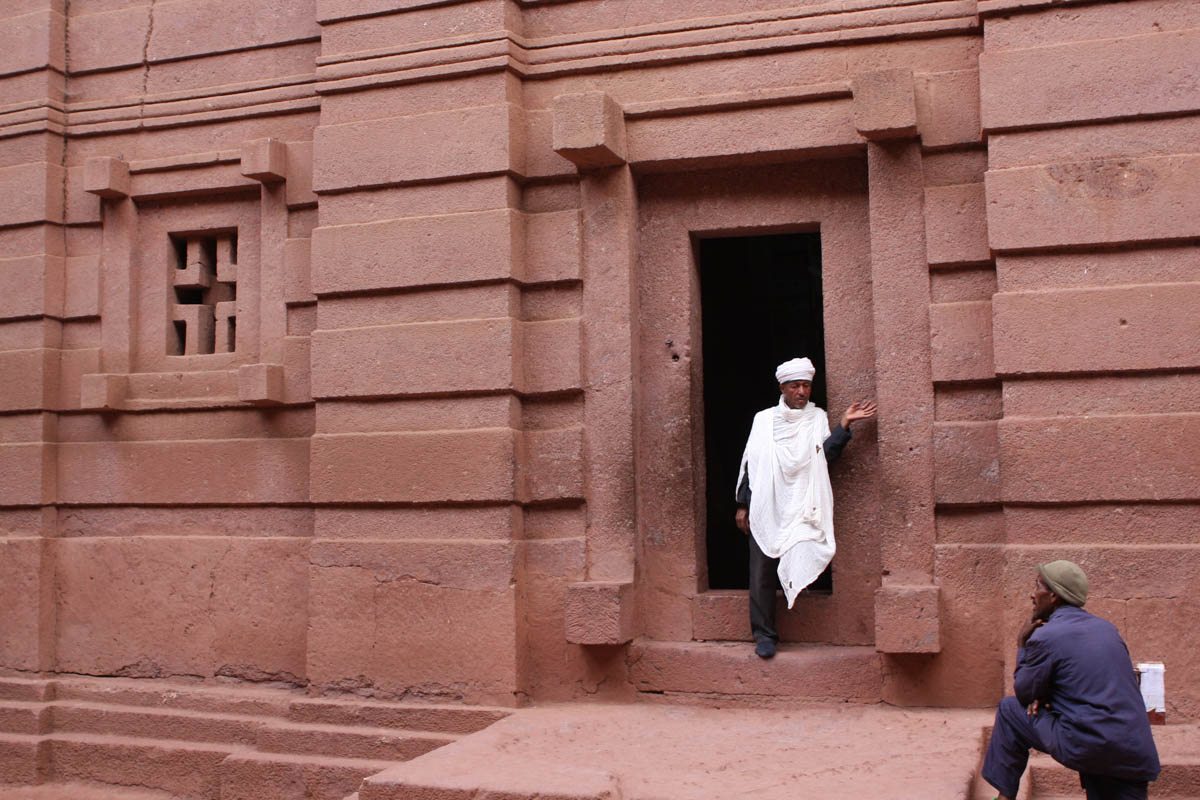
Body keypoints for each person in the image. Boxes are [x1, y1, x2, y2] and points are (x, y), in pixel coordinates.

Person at [733, 357, 876, 658]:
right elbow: (751, 464)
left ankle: (804, 603)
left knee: (809, 548)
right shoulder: (764, 420)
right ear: (782, 387)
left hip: (802, 502)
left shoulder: (817, 419)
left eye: (806, 386)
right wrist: (743, 506)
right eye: (795, 386)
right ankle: (764, 635)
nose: (801, 391)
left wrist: (843, 426)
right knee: (760, 571)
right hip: (766, 503)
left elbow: (824, 457)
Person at [982, 560, 1160, 800]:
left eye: (1037, 586)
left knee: (1010, 709)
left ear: (1053, 596)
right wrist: (1049, 698)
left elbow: (1024, 693)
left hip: (1088, 745)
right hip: (1134, 751)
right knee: (1102, 756)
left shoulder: (1045, 636)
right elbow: (1086, 683)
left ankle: (1004, 798)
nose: (1032, 594)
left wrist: (1022, 643)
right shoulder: (1107, 629)